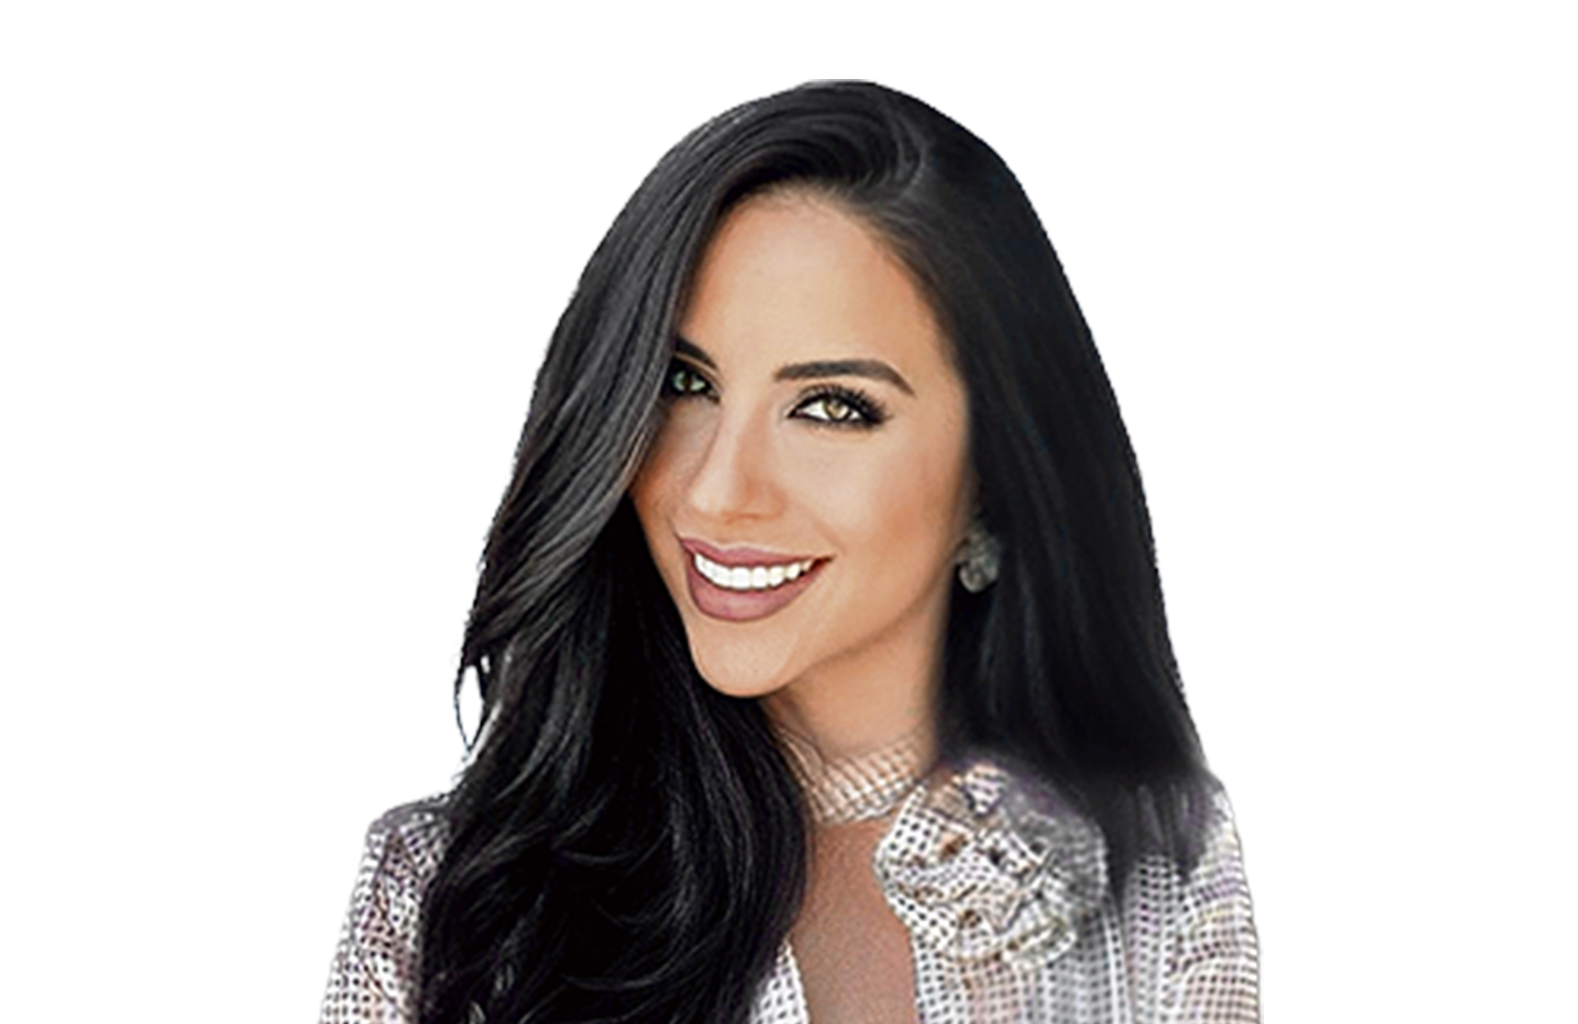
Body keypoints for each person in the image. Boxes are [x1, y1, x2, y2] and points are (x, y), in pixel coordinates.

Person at [321, 81, 1260, 1024]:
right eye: (685, 383)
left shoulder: (1158, 874)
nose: (716, 491)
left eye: (832, 406)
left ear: (995, 470)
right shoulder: (450, 905)